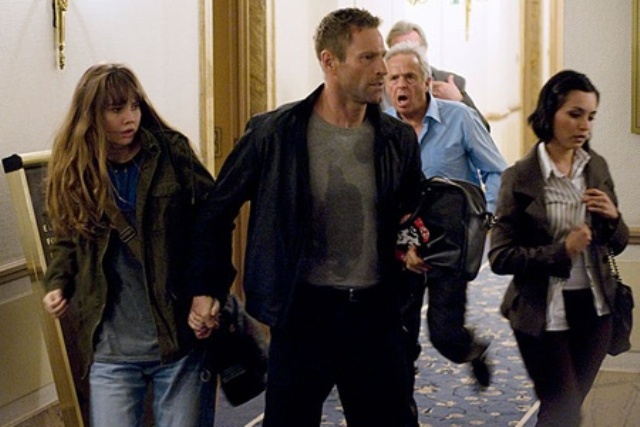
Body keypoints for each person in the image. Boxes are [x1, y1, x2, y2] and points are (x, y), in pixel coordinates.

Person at [188, 8, 424, 427]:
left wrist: (416, 246)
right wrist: (208, 286)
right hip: (302, 314)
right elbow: (215, 211)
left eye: (382, 56)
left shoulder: (397, 140)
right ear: (329, 62)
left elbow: (412, 214)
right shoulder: (274, 134)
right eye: (368, 58)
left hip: (376, 316)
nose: (382, 69)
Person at [42, 63, 217, 427]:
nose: (130, 118)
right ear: (92, 115)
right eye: (116, 109)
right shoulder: (76, 171)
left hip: (177, 337)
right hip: (111, 347)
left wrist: (206, 291)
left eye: (135, 106)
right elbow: (67, 238)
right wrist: (58, 283)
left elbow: (210, 224)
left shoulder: (171, 154)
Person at [489, 70, 629, 426]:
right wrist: (562, 250)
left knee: (564, 411)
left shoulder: (595, 167)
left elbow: (617, 244)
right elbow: (500, 257)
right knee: (563, 411)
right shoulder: (519, 177)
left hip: (596, 310)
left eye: (591, 116)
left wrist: (613, 218)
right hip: (541, 312)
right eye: (575, 114)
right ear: (549, 113)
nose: (585, 126)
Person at [384, 42, 507, 401]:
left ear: (427, 81)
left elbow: (497, 171)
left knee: (445, 334)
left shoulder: (460, 118)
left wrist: (485, 218)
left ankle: (472, 350)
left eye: (410, 77)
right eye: (393, 78)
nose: (401, 85)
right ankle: (401, 410)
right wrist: (403, 246)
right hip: (401, 245)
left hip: (449, 242)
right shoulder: (381, 129)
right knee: (398, 341)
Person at [386, 20, 490, 131]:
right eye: (399, 49)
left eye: (413, 48)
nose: (406, 55)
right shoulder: (380, 86)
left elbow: (483, 129)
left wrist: (459, 100)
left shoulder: (448, 82)